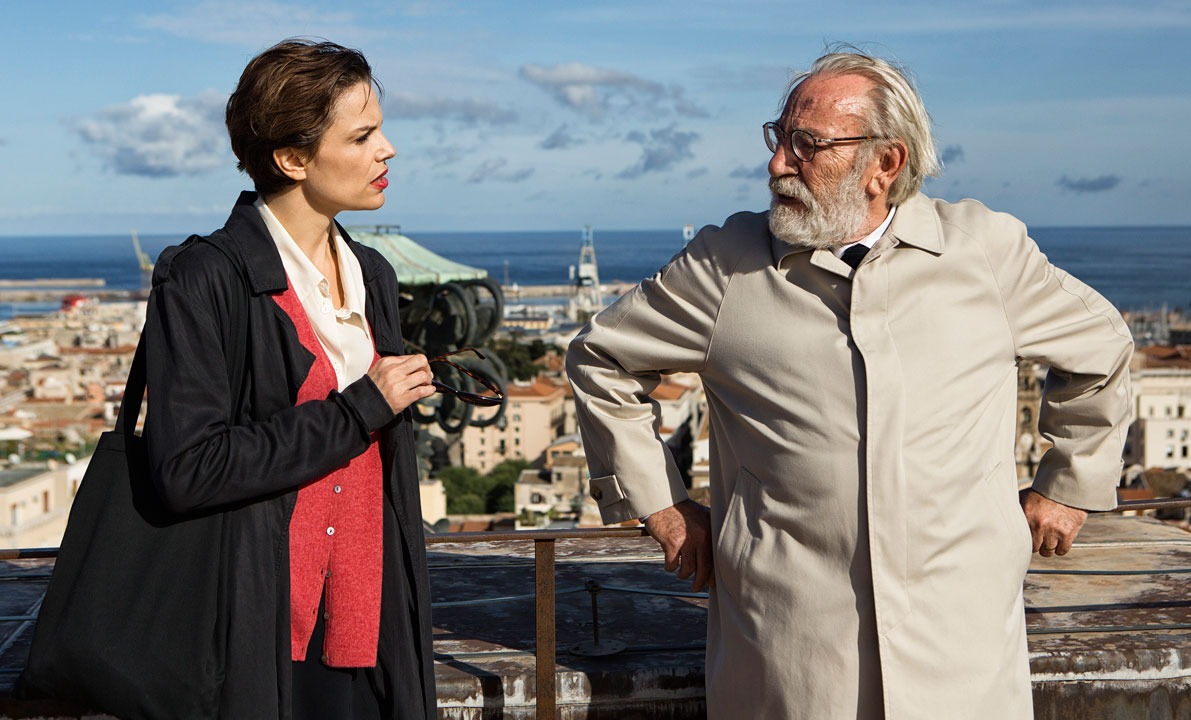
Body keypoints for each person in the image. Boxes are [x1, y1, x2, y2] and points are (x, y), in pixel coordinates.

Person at [566, 49, 1133, 719]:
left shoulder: (985, 252)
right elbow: (600, 358)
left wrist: (1066, 486)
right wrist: (660, 503)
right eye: (779, 138)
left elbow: (1102, 349)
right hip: (787, 656)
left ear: (884, 163)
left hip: (961, 650)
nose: (778, 164)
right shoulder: (725, 268)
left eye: (807, 145)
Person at [143, 39, 437, 718]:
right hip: (259, 633)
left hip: (372, 630)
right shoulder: (205, 277)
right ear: (292, 159)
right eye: (361, 136)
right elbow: (186, 468)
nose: (387, 150)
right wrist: (359, 409)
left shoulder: (373, 273)